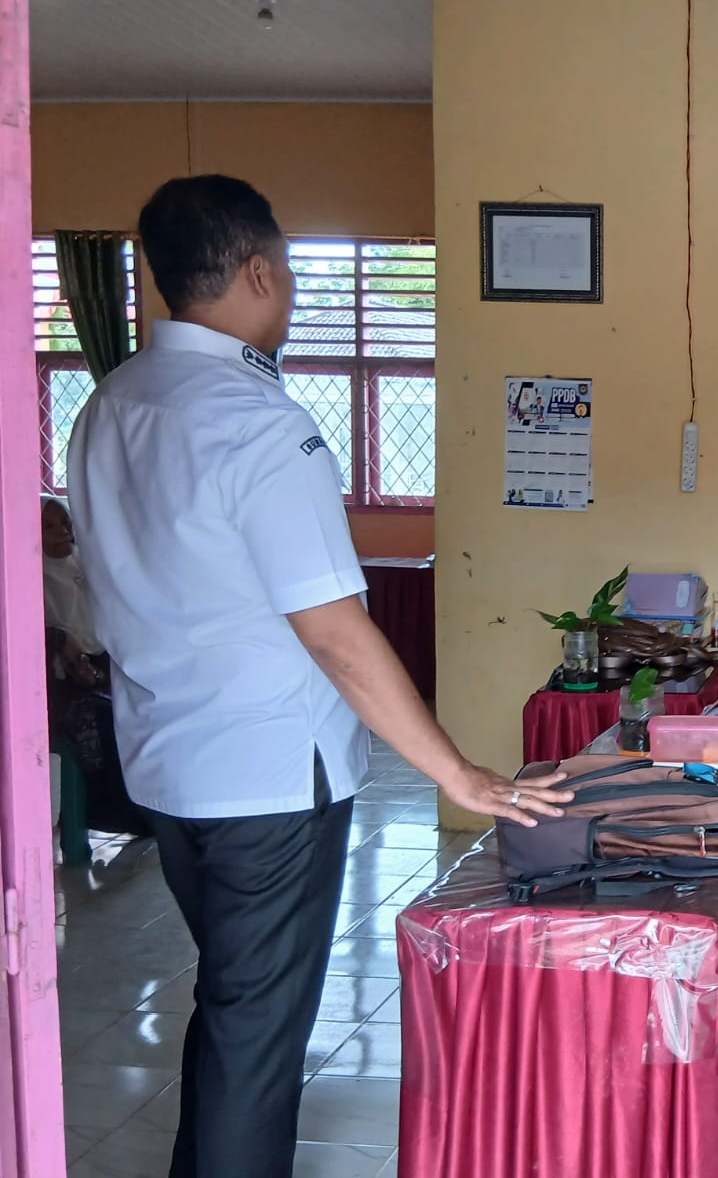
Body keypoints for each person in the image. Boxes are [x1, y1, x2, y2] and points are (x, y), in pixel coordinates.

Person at [67, 174, 574, 1178]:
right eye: (289, 273)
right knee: (257, 1040)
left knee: (234, 1007)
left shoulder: (109, 405)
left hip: (165, 766)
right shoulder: (259, 420)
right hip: (267, 784)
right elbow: (335, 633)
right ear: (258, 272)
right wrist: (456, 774)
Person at [40, 498, 146, 836]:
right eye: (49, 526)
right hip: (60, 678)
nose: (62, 531)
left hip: (103, 662)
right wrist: (65, 647)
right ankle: (109, 814)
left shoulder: (84, 559)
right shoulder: (32, 573)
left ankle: (143, 808)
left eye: (65, 522)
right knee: (98, 723)